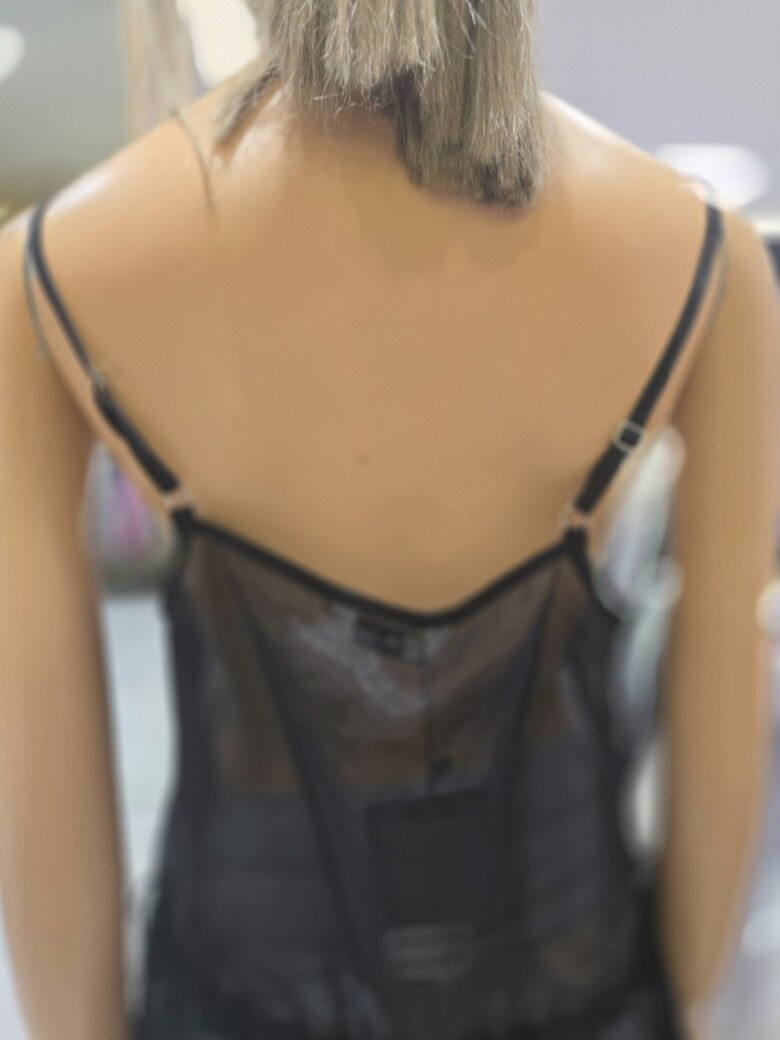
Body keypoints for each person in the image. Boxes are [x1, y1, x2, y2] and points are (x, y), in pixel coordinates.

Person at [0, 2, 778, 1039]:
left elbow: (42, 830)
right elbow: (718, 815)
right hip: (581, 985)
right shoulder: (710, 261)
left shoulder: (46, 276)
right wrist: (685, 1003)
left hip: (232, 992)